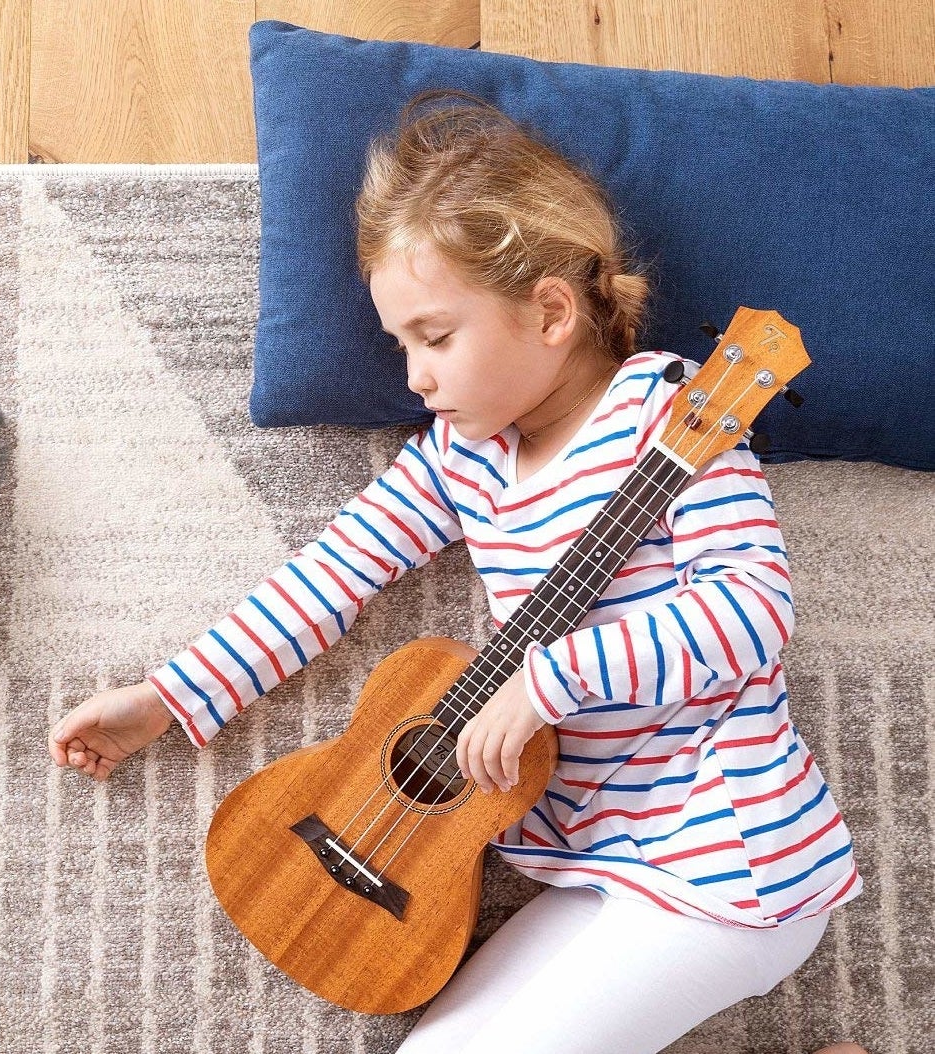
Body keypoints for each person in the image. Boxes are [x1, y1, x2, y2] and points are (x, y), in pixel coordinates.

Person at [47, 89, 867, 1054]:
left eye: (435, 338)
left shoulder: (676, 423)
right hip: (589, 862)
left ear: (551, 310)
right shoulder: (461, 455)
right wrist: (168, 699)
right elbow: (332, 574)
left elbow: (749, 614)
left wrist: (547, 681)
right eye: (402, 345)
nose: (414, 378)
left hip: (730, 858)